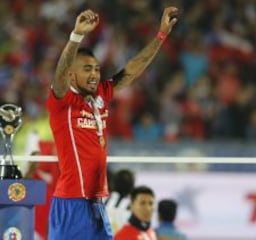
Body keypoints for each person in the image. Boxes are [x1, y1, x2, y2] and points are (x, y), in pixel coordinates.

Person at [46, 7, 178, 239]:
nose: (95, 74)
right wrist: (76, 36)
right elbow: (59, 73)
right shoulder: (62, 101)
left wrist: (161, 35)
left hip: (98, 201)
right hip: (72, 201)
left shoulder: (102, 95)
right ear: (71, 75)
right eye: (87, 69)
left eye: (96, 69)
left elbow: (133, 70)